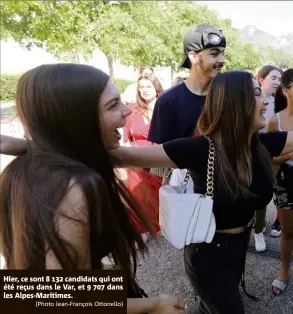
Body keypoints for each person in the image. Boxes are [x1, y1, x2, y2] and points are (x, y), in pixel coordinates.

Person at [0, 64, 184, 314]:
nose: (127, 110)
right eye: (112, 105)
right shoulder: (76, 187)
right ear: (75, 118)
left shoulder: (16, 172)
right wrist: (152, 304)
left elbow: (26, 290)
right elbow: (56, 297)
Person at [111, 70, 293, 314]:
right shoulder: (200, 148)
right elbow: (123, 156)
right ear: (238, 102)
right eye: (258, 94)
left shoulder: (259, 144)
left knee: (211, 307)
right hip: (208, 254)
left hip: (238, 248)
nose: (266, 101)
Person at [148, 24, 226, 145]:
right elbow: (158, 153)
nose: (222, 60)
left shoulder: (227, 97)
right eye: (214, 54)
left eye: (222, 53)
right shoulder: (168, 101)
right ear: (193, 57)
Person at [123, 74, 164, 241]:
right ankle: (142, 228)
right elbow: (125, 138)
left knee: (159, 194)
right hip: (137, 160)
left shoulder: (165, 108)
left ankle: (160, 225)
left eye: (148, 86)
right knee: (138, 196)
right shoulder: (132, 111)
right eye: (141, 87)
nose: (145, 90)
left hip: (160, 159)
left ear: (156, 87)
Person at [266, 68, 293, 296]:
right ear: (286, 91)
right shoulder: (275, 121)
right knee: (288, 231)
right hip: (286, 181)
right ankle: (284, 270)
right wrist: (289, 156)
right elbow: (269, 157)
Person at [253, 65, 283, 251]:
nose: (277, 82)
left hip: (274, 154)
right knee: (259, 193)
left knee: (277, 190)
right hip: (254, 153)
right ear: (261, 79)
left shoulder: (280, 103)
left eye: (279, 79)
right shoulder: (250, 101)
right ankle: (258, 229)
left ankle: (278, 221)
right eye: (274, 78)